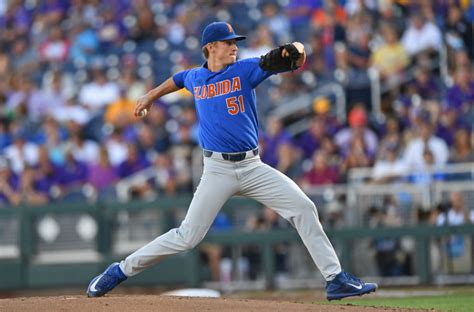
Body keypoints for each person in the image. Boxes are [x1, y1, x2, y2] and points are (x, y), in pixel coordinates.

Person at [86, 21, 377, 301]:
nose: (234, 47)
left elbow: (277, 60)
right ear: (210, 47)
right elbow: (177, 79)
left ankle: (335, 279)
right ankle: (118, 271)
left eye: (235, 42)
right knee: (187, 236)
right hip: (217, 170)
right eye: (228, 43)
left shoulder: (244, 70)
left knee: (303, 207)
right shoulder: (196, 77)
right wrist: (151, 95)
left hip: (253, 167)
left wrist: (294, 51)